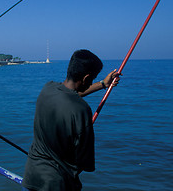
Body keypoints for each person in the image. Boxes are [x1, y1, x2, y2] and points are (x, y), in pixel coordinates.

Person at [22, 49, 120, 191]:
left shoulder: (47, 89)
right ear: (86, 78)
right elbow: (85, 163)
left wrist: (102, 84)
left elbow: (71, 94)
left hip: (31, 178)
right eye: (92, 79)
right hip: (57, 184)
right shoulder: (82, 110)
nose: (91, 81)